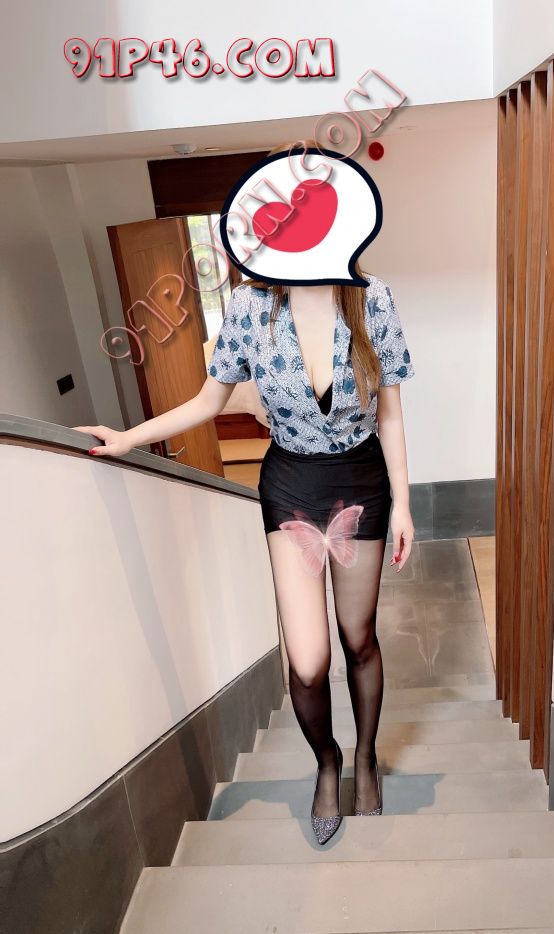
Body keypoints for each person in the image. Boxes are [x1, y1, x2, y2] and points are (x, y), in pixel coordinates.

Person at [74, 198, 415, 851]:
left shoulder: (372, 299)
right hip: (290, 486)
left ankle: (366, 757)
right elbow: (209, 400)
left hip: (361, 480)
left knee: (359, 638)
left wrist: (402, 504)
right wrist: (128, 438)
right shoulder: (249, 307)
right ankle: (327, 762)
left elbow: (392, 414)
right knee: (308, 662)